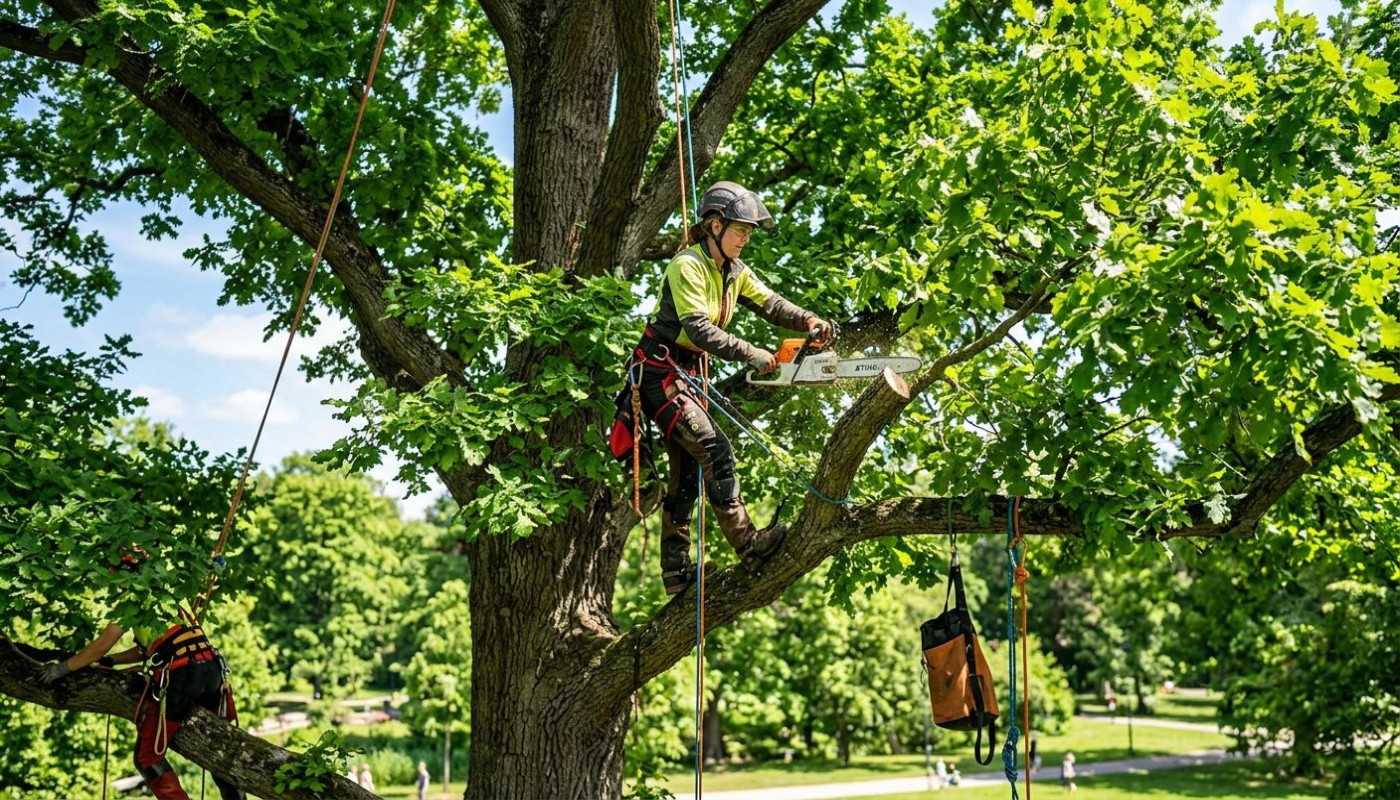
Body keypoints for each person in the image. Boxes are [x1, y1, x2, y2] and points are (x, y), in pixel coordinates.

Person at [631, 180, 833, 595]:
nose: (745, 238)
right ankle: (749, 544)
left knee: (688, 475)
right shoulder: (687, 265)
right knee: (716, 450)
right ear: (715, 225)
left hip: (687, 376)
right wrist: (751, 353)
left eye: (749, 231)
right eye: (741, 229)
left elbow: (771, 304)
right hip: (659, 375)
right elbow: (699, 329)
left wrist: (808, 319)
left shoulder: (735, 271)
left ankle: (675, 573)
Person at [39, 551, 243, 800]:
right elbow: (153, 647)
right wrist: (111, 661)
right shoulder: (169, 591)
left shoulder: (132, 599)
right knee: (217, 747)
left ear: (121, 573)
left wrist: (62, 668)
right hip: (211, 670)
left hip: (182, 675)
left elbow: (102, 644)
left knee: (147, 756)